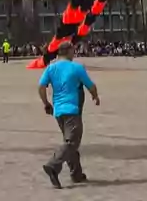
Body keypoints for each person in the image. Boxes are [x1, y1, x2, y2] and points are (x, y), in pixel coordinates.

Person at [37, 41, 99, 188]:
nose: (74, 53)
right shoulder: (76, 68)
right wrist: (95, 96)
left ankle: (76, 173)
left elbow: (41, 87)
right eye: (73, 50)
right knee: (72, 143)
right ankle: (53, 165)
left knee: (69, 142)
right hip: (72, 110)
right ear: (69, 52)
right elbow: (90, 85)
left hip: (58, 111)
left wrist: (46, 103)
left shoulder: (51, 68)